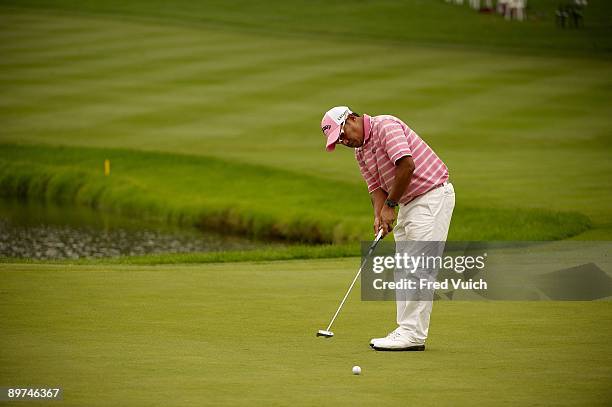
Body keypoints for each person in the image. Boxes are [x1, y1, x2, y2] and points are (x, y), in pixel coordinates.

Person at [320, 106, 455, 351]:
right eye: (338, 141)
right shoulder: (360, 152)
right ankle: (406, 330)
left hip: (431, 196)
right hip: (409, 203)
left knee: (418, 268)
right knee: (404, 270)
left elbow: (406, 165)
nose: (344, 142)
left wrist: (390, 206)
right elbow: (375, 188)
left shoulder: (385, 126)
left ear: (351, 118)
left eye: (342, 135)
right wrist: (379, 215)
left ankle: (412, 335)